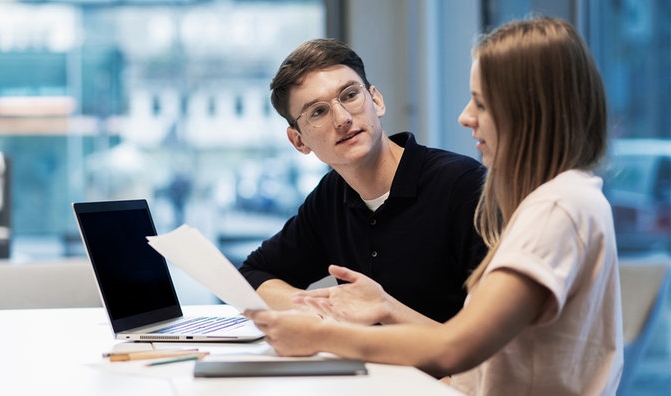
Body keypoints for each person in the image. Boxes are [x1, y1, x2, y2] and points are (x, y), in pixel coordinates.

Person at [246, 16, 624, 395]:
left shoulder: (556, 207)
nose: (465, 118)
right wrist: (370, 310)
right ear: (299, 140)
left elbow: (458, 345)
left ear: (530, 110)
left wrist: (324, 335)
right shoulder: (555, 201)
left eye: (481, 102)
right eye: (318, 111)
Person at [237, 38, 487, 323]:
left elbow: (490, 335)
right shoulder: (331, 197)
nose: (342, 118)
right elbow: (254, 274)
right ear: (298, 141)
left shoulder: (461, 185)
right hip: (373, 366)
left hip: (448, 368)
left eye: (350, 95)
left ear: (376, 100)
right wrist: (320, 312)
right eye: (318, 112)